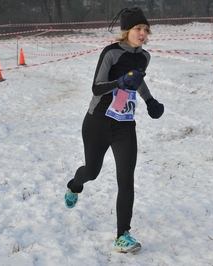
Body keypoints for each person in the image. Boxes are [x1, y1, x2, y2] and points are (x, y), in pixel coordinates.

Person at [64, 7, 164, 254]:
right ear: (126, 31)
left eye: (145, 29)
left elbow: (137, 80)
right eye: (138, 29)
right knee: (92, 171)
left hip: (124, 123)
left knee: (126, 178)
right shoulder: (111, 53)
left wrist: (150, 100)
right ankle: (75, 185)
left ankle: (123, 235)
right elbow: (96, 88)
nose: (142, 33)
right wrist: (119, 82)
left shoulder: (144, 57)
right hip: (97, 121)